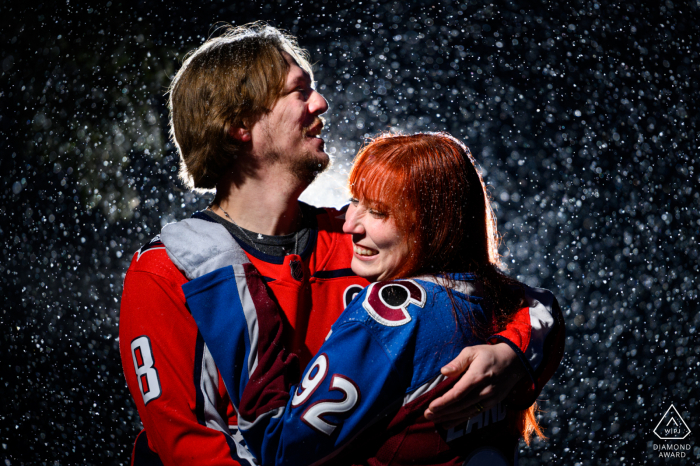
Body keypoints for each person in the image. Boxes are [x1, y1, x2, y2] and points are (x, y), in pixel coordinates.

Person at [118, 23, 565, 465]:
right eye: (299, 91)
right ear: (240, 123)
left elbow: (506, 298)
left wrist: (514, 351)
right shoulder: (165, 273)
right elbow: (190, 450)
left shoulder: (361, 240)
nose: (321, 103)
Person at [182, 132, 565, 465]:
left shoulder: (393, 314)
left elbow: (280, 448)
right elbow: (539, 305)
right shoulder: (499, 300)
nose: (350, 225)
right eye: (354, 200)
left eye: (379, 212)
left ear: (433, 226)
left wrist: (225, 281)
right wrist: (518, 348)